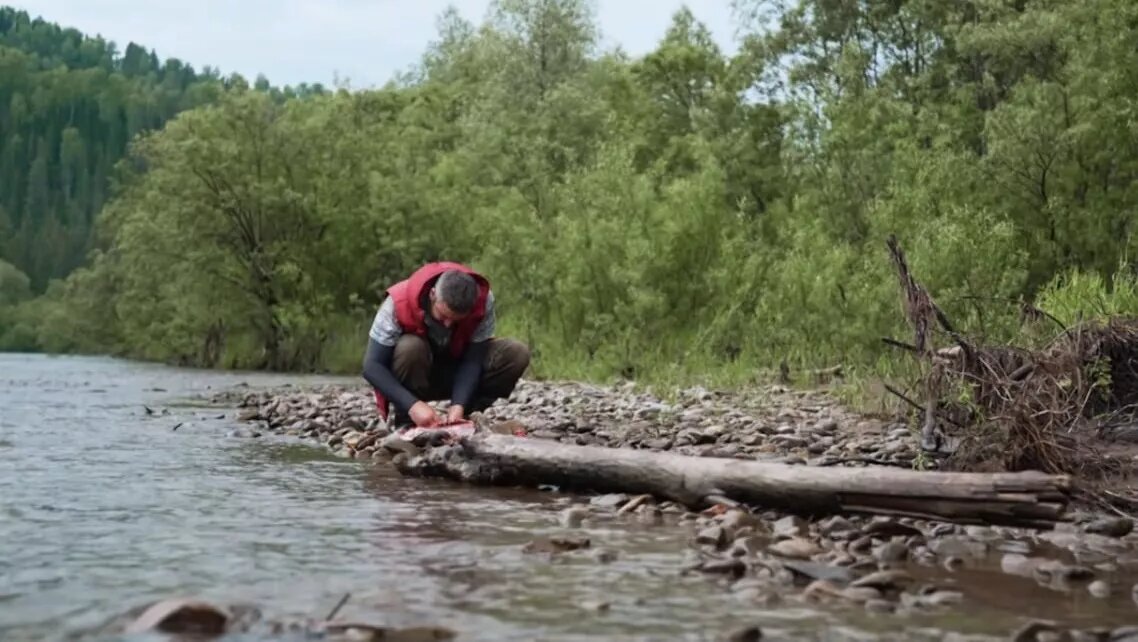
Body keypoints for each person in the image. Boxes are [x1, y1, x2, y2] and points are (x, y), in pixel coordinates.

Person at [361, 262, 531, 428]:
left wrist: (459, 405)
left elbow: (474, 359)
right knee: (410, 347)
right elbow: (372, 366)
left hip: (456, 369)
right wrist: (412, 405)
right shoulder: (396, 304)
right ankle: (407, 421)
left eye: (457, 320)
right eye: (443, 316)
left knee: (516, 353)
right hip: (414, 371)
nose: (448, 324)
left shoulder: (484, 301)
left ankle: (467, 416)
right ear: (433, 294)